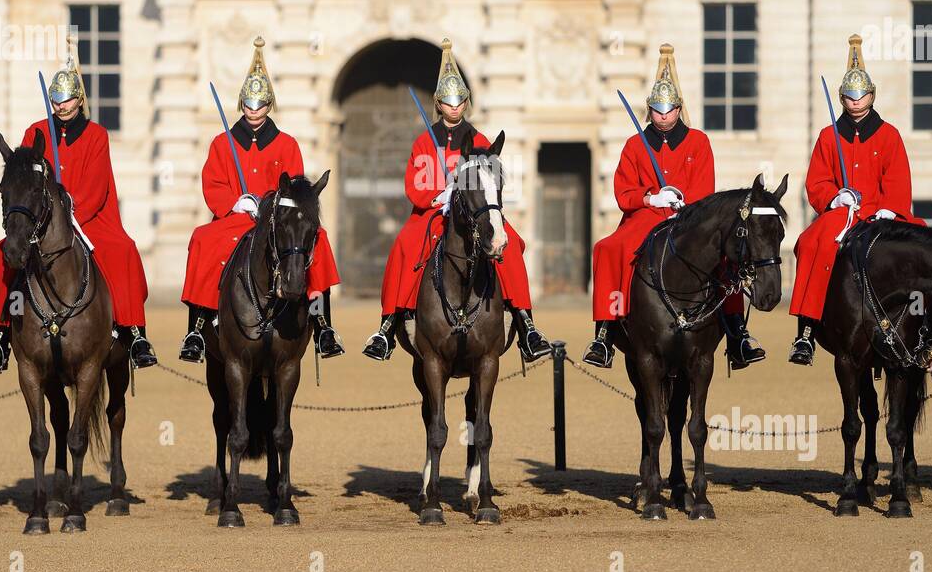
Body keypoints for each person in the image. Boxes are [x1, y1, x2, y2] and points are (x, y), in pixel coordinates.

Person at [361, 39, 550, 363]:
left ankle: (526, 322)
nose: (454, 107)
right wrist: (440, 195)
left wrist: (469, 193)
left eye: (459, 101)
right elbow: (413, 188)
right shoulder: (424, 142)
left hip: (475, 213)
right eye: (448, 102)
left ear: (466, 103)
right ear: (438, 104)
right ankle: (388, 326)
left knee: (513, 244)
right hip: (433, 214)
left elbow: (494, 181)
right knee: (406, 245)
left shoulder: (479, 140)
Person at [0, 38, 156, 372]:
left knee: (123, 250)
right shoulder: (36, 131)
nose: (61, 105)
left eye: (68, 99)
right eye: (56, 99)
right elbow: (23, 179)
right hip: (41, 219)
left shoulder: (97, 135)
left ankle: (134, 332)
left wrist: (70, 214)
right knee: (0, 254)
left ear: (79, 99)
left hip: (87, 218)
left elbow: (97, 186)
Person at [582, 44, 764, 370]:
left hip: (689, 217)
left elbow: (705, 190)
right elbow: (624, 192)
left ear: (679, 109)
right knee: (609, 248)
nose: (663, 116)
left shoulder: (698, 142)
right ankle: (604, 332)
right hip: (647, 216)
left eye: (669, 109)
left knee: (725, 256)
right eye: (657, 109)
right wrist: (651, 198)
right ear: (649, 109)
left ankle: (738, 332)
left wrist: (685, 203)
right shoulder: (635, 145)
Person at [179, 36, 344, 362]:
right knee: (203, 239)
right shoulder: (221, 143)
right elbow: (212, 182)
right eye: (250, 105)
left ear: (270, 105)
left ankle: (322, 323)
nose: (255, 112)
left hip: (275, 221)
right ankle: (197, 328)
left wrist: (269, 205)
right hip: (235, 219)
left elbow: (297, 188)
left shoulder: (287, 144)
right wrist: (234, 203)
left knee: (319, 240)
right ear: (242, 104)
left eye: (261, 105)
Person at [788, 34, 921, 365]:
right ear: (842, 98)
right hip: (843, 213)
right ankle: (805, 331)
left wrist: (890, 209)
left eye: (861, 95)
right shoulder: (827, 136)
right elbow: (816, 181)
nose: (856, 101)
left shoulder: (888, 135)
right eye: (849, 96)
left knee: (922, 247)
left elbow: (898, 181)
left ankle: (924, 328)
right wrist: (834, 197)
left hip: (881, 211)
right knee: (809, 242)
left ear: (872, 96)